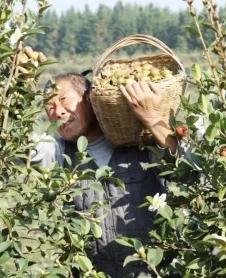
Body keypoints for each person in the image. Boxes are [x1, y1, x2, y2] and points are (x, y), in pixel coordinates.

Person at [31, 61, 180, 277]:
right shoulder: (60, 152)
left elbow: (185, 167)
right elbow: (23, 148)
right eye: (50, 107)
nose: (58, 112)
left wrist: (153, 118)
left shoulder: (141, 143)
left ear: (91, 100)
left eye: (64, 100)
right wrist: (18, 86)